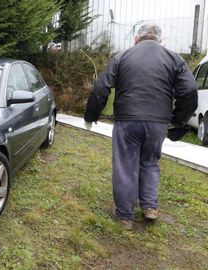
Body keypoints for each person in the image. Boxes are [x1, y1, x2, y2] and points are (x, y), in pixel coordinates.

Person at [84, 23, 198, 230]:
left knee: (125, 166)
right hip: (158, 123)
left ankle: (125, 216)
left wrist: (90, 116)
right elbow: (190, 90)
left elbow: (101, 87)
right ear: (161, 40)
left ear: (136, 39)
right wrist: (177, 120)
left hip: (127, 121)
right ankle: (149, 208)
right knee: (150, 162)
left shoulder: (122, 56)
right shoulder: (175, 59)